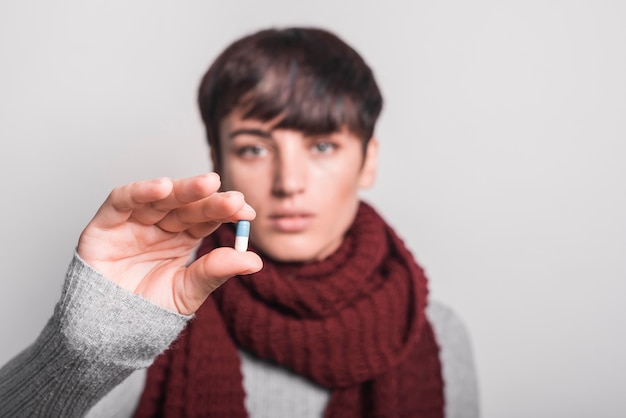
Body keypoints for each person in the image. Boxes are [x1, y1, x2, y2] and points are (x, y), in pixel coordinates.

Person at [0, 27, 479, 417]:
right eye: (254, 148)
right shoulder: (153, 314)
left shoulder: (437, 333)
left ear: (367, 160)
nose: (289, 182)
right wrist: (79, 351)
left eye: (323, 146)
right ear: (219, 158)